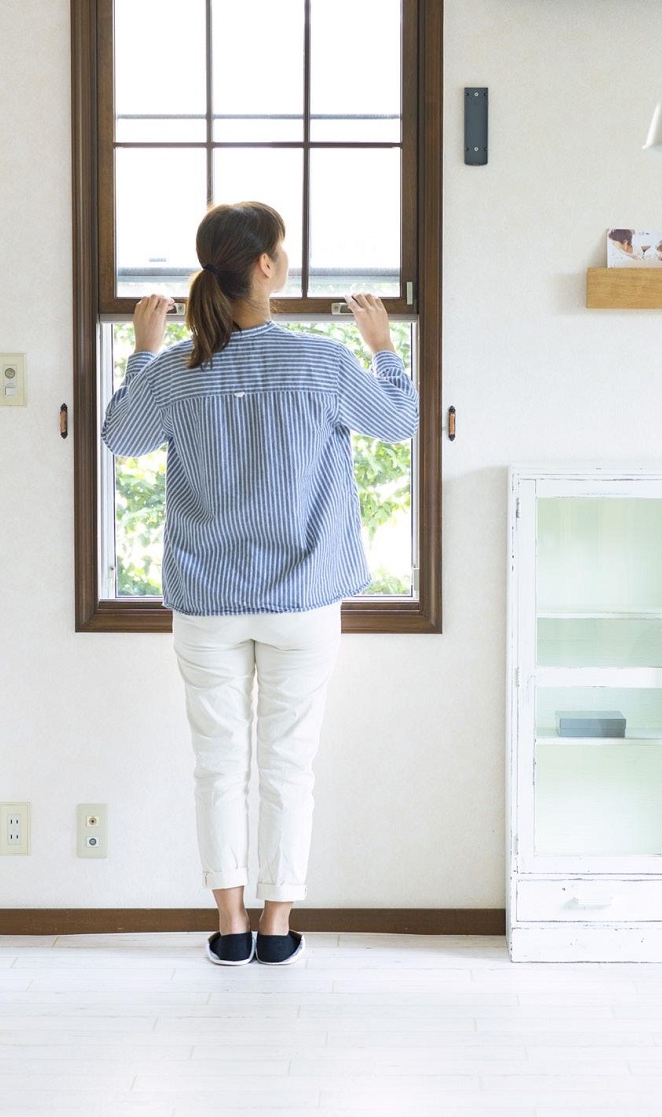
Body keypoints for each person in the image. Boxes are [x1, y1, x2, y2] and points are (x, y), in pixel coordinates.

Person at [101, 201, 419, 967]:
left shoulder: (178, 368)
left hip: (206, 606)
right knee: (288, 761)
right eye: (283, 249)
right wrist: (384, 345)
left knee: (218, 762)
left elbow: (119, 437)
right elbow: (400, 420)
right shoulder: (323, 361)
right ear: (267, 268)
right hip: (303, 602)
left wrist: (142, 352)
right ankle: (276, 926)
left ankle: (230, 923)